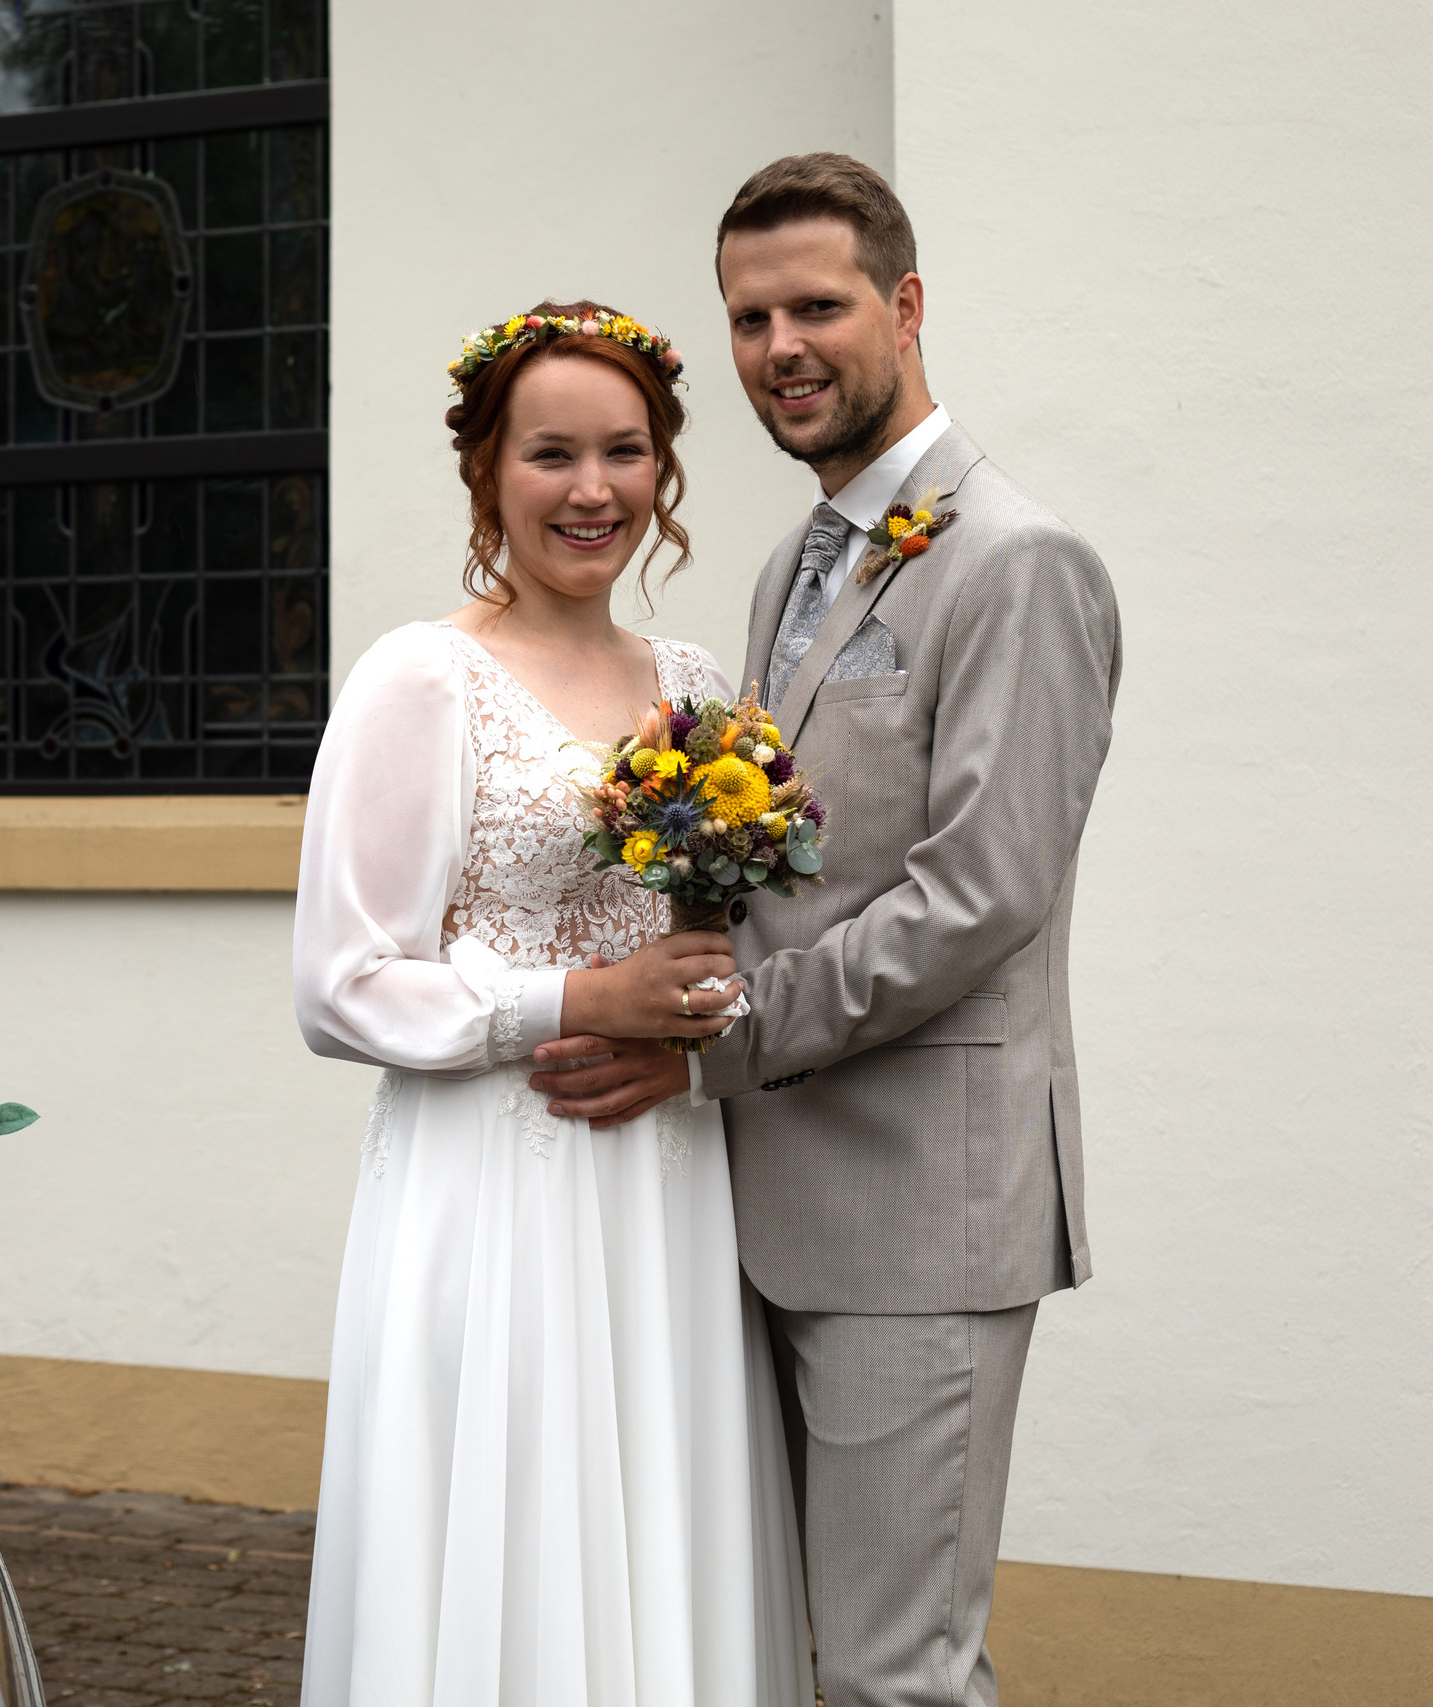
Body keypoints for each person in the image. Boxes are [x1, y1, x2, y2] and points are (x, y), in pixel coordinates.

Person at [532, 156, 1123, 1707]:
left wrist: (711, 1046)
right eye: (748, 318)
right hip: (767, 1203)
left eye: (816, 306)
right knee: (780, 1659)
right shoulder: (800, 562)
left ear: (906, 306)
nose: (779, 347)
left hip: (919, 1216)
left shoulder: (1015, 561)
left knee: (892, 1676)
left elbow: (979, 897)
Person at [293, 300, 815, 1705]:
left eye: (626, 454)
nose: (594, 492)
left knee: (660, 1524)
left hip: (667, 1185)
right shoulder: (422, 679)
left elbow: (732, 945)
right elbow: (339, 984)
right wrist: (577, 998)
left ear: (664, 471)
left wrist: (695, 1034)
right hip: (491, 1188)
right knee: (505, 1536)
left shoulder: (701, 692)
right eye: (552, 455)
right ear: (487, 472)